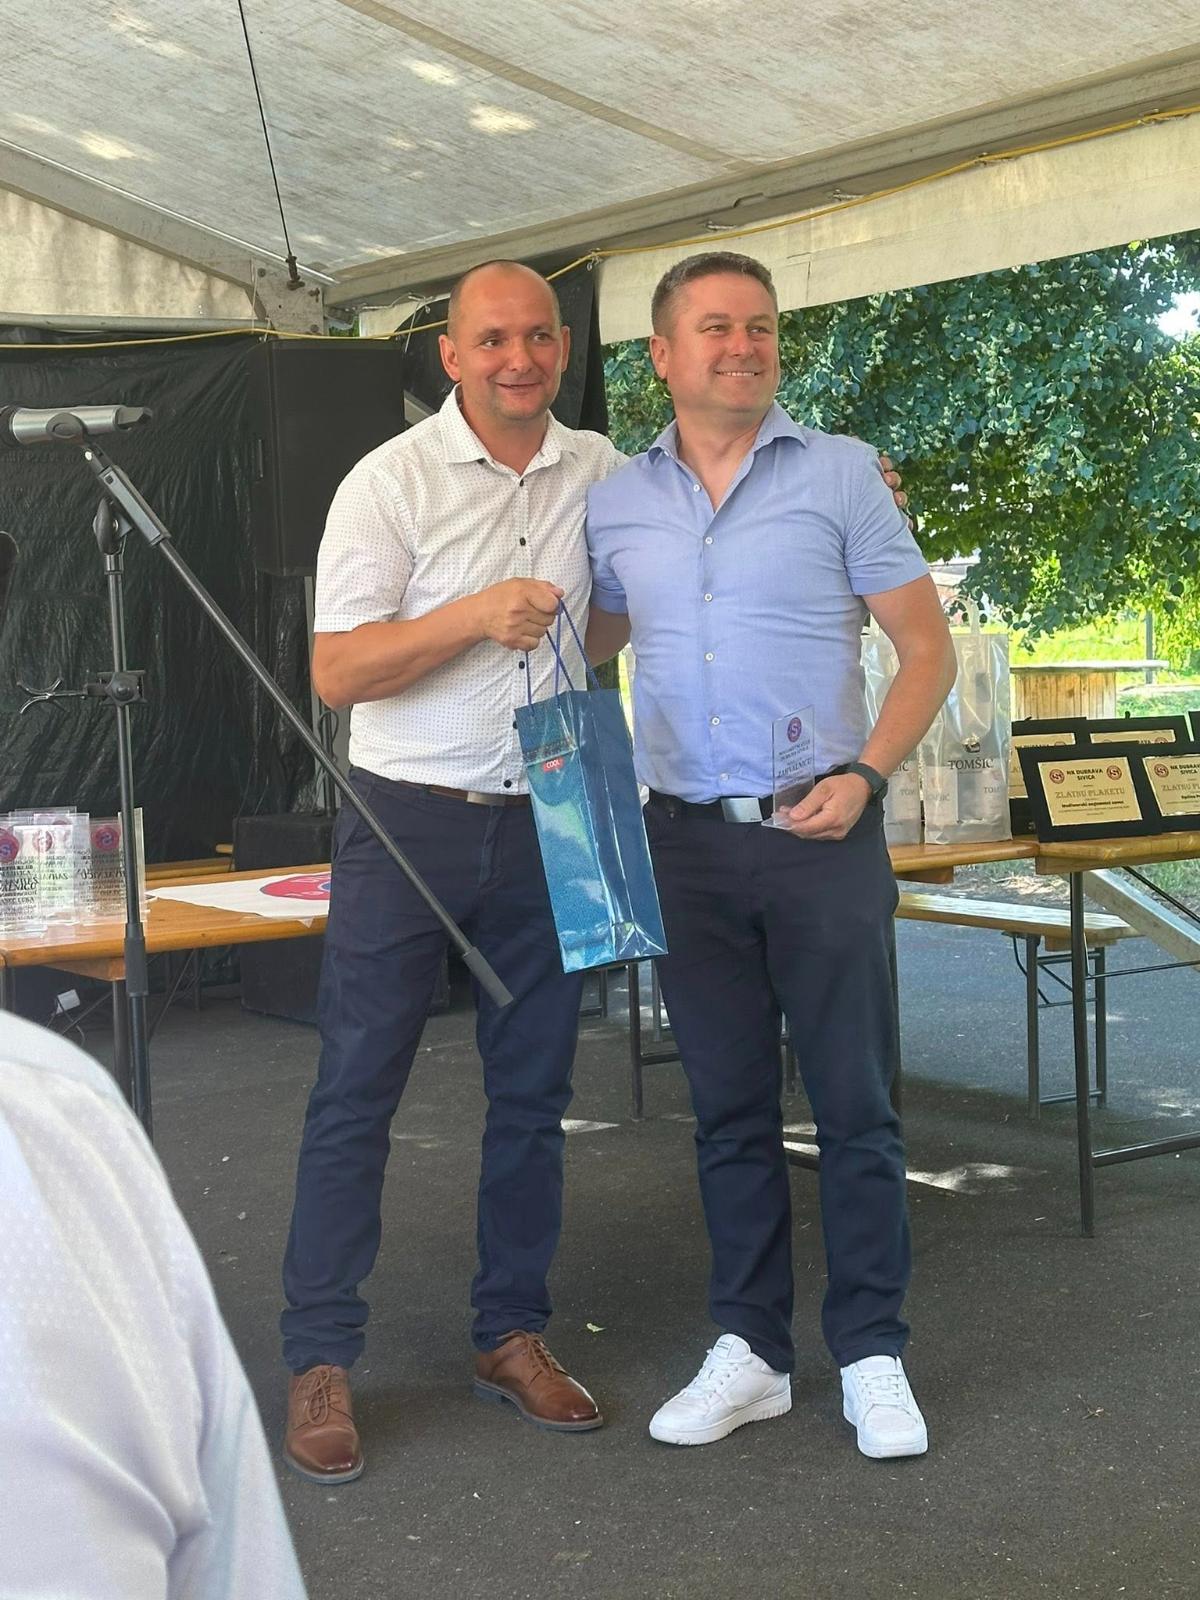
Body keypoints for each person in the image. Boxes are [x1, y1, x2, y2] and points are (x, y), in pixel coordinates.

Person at [281, 258, 910, 1481]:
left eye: (539, 337)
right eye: (492, 339)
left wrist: (856, 490)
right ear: (450, 355)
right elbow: (338, 672)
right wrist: (472, 615)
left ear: (565, 352)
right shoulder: (387, 482)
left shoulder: (609, 476)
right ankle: (321, 1356)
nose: (519, 357)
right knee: (357, 1090)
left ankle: (509, 1332)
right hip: (410, 816)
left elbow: (665, 572)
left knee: (535, 1096)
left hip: (561, 811)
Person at [584, 251, 956, 1459]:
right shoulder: (616, 502)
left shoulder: (843, 472)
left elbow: (927, 651)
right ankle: (752, 1350)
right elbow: (586, 641)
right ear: (662, 354)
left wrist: (869, 776)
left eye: (758, 326)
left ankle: (873, 1351)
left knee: (856, 1107)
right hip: (684, 845)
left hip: (823, 836)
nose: (741, 345)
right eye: (714, 327)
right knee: (728, 1112)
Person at [0, 1015, 308, 1598]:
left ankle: (495, 1328)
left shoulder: (62, 1109)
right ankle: (322, 1359)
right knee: (355, 1100)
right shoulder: (57, 1109)